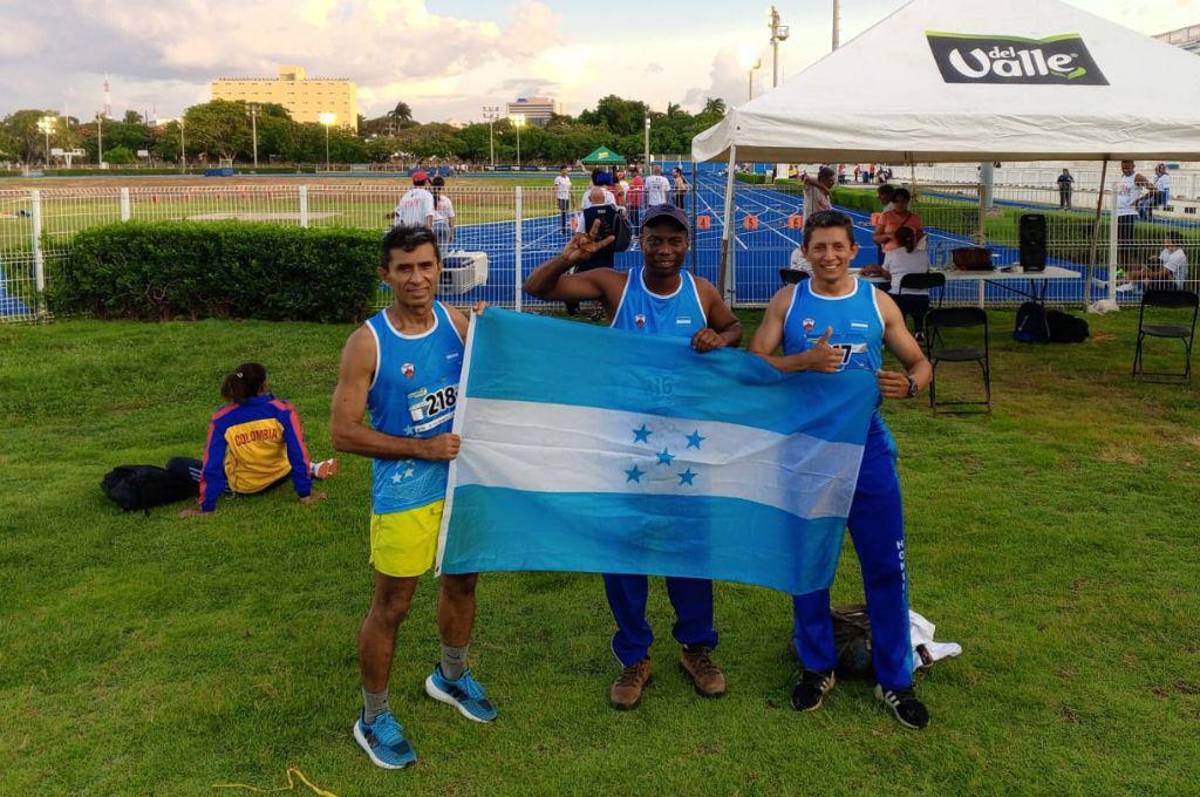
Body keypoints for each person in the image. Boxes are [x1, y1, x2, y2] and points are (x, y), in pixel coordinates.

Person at [523, 204, 743, 711]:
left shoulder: (701, 291)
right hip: (624, 444)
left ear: (687, 245)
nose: (664, 250)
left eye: (674, 241)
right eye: (655, 240)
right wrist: (567, 257)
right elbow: (538, 289)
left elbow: (733, 328)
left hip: (687, 445)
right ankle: (634, 656)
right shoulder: (615, 286)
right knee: (624, 550)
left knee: (688, 547)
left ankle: (696, 648)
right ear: (640, 242)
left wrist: (720, 337)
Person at [748, 209, 933, 731]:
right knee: (809, 565)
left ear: (855, 251)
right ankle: (816, 667)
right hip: (805, 451)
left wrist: (912, 385)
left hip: (866, 450)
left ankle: (896, 680)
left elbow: (920, 363)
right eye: (818, 247)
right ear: (804, 253)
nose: (828, 256)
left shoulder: (878, 302)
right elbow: (754, 363)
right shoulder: (789, 300)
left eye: (837, 247)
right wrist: (799, 363)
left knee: (884, 567)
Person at [331, 225, 494, 771]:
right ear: (386, 275)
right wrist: (420, 448)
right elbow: (343, 433)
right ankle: (373, 717)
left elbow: (499, 372)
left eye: (426, 266)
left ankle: (450, 677)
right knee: (393, 606)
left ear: (438, 268)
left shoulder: (458, 322)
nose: (417, 278)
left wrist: (498, 334)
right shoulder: (368, 342)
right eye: (404, 268)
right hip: (405, 490)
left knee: (462, 581)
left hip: (460, 483)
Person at [177, 363, 337, 518]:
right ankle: (313, 469)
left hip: (247, 487)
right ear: (263, 385)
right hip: (282, 475)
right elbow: (297, 452)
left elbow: (212, 464)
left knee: (177, 464)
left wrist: (207, 507)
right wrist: (305, 494)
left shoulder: (222, 419)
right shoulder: (283, 410)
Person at [861, 226, 931, 336]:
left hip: (900, 298)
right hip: (922, 299)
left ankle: (899, 332)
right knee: (917, 307)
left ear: (896, 239)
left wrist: (877, 270)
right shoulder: (923, 254)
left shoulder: (892, 253)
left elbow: (887, 275)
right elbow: (926, 272)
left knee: (884, 296)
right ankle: (919, 330)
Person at [1118, 231, 1189, 292]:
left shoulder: (1178, 255)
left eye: (1167, 239)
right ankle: (1129, 283)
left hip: (1174, 284)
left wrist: (1144, 273)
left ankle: (1126, 282)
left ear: (1174, 242)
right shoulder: (1166, 250)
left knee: (1145, 276)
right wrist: (1152, 261)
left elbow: (1163, 274)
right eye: (1165, 238)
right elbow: (1159, 264)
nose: (1165, 240)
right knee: (1142, 269)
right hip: (1165, 277)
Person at [1116, 160, 1153, 266]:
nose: (1126, 170)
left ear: (1133, 166)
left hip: (1128, 214)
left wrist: (1139, 200)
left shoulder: (1138, 177)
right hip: (1119, 213)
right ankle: (1121, 267)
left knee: (1126, 244)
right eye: (1123, 168)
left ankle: (1130, 267)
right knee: (1120, 244)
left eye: (1128, 168)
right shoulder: (1123, 177)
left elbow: (1154, 190)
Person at [873, 187, 924, 255]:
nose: (900, 204)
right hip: (890, 255)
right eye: (896, 201)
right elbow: (876, 238)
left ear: (907, 201)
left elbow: (921, 239)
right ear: (893, 202)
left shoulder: (916, 218)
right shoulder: (886, 216)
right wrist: (889, 235)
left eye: (903, 201)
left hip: (910, 255)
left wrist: (911, 240)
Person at [430, 176, 455, 250]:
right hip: (444, 226)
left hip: (433, 227)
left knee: (433, 251)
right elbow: (451, 218)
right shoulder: (447, 200)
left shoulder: (428, 200)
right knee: (443, 250)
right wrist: (452, 233)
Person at [875, 184, 897, 265]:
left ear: (889, 195)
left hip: (889, 246)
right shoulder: (889, 207)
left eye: (881, 194)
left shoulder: (890, 210)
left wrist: (878, 238)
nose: (878, 197)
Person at [554, 166, 572, 235]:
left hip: (567, 197)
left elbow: (570, 187)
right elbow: (556, 188)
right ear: (561, 171)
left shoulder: (567, 178)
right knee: (563, 213)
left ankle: (564, 228)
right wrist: (556, 199)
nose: (566, 172)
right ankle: (563, 229)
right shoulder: (558, 178)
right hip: (561, 198)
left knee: (566, 213)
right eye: (564, 170)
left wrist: (572, 195)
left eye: (566, 170)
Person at [627, 166, 645, 235]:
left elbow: (636, 191)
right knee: (633, 218)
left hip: (634, 202)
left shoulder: (637, 179)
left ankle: (637, 233)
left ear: (636, 172)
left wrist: (631, 201)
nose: (631, 173)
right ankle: (637, 232)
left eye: (632, 172)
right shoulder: (635, 179)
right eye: (631, 172)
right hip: (634, 202)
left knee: (634, 218)